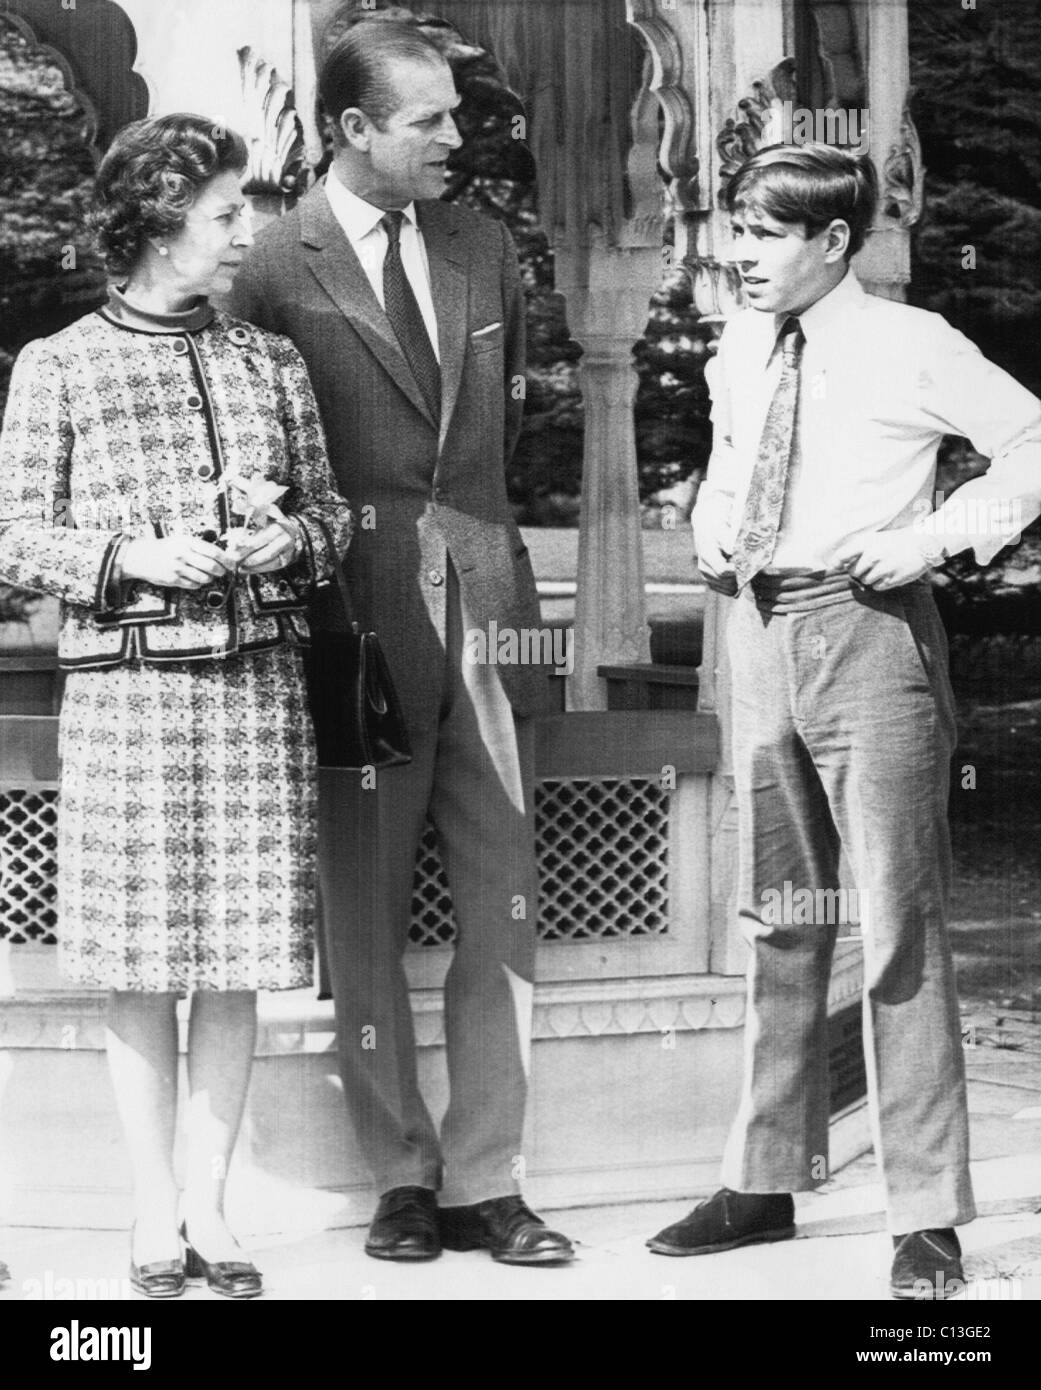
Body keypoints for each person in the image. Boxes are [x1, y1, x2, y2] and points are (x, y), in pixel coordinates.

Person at [647, 142, 1041, 1298]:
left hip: (870, 632)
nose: (740, 257)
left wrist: (930, 540)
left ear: (832, 242)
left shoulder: (912, 344)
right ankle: (764, 1178)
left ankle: (924, 1212)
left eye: (765, 237)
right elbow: (732, 465)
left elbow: (1035, 442)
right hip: (759, 629)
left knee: (899, 919)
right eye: (736, 232)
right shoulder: (741, 342)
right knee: (777, 913)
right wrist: (715, 526)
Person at [230, 14, 574, 1266]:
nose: (455, 138)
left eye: (457, 115)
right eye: (427, 120)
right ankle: (403, 1176)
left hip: (487, 597)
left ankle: (493, 1177)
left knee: (506, 900)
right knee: (362, 907)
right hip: (348, 617)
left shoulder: (488, 245)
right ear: (352, 130)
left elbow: (507, 426)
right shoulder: (272, 260)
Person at [0, 113, 353, 1298]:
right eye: (223, 212)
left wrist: (282, 534)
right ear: (156, 219)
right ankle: (154, 1215)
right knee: (141, 967)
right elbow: (14, 538)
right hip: (131, 695)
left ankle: (213, 1211)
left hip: (257, 689)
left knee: (241, 960)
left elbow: (334, 519)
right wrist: (134, 558)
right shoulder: (60, 364)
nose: (246, 230)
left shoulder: (270, 362)